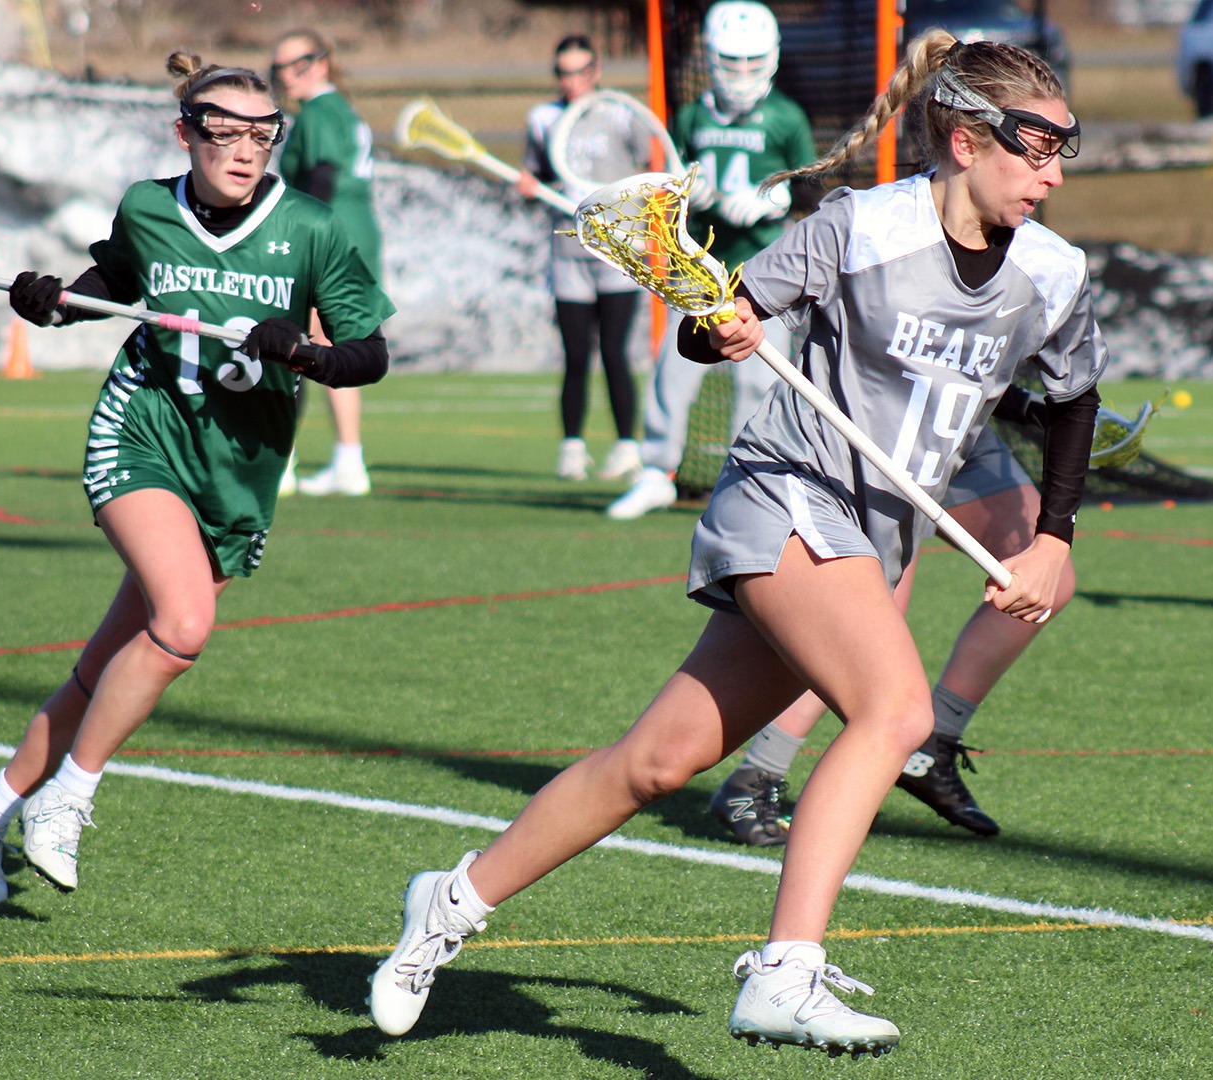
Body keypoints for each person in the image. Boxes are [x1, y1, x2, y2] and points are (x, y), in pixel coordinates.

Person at [366, 32, 1099, 1055]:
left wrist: (1053, 539)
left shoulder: (1055, 274)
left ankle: (448, 900)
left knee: (656, 763)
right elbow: (710, 325)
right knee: (892, 714)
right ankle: (784, 972)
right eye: (1038, 150)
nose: (1055, 176)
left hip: (873, 533)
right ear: (967, 139)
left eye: (1068, 153)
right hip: (786, 495)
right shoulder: (858, 229)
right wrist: (727, 329)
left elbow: (1072, 402)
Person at [0, 53, 394, 905]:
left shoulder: (311, 227)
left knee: (104, 668)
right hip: (143, 432)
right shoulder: (149, 207)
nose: (245, 151)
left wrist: (303, 350)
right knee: (183, 623)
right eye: (225, 134)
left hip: (238, 471)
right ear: (185, 133)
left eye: (263, 136)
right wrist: (52, 300)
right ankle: (66, 798)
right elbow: (114, 282)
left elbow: (367, 352)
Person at [708, 387, 1074, 844]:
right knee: (864, 619)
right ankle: (756, 777)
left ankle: (931, 747)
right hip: (875, 418)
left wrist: (1038, 406)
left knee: (1047, 581)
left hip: (959, 427)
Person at [606, 0, 816, 521]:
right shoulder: (694, 115)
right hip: (701, 268)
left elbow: (810, 183)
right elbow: (669, 181)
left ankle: (743, 478)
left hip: (769, 275)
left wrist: (776, 199)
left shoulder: (786, 116)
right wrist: (686, 196)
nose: (741, 73)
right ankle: (657, 471)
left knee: (759, 379)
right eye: (731, 61)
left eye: (751, 62)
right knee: (673, 370)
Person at [517, 35, 644, 483]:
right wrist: (531, 187)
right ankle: (572, 447)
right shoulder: (544, 118)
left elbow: (647, 171)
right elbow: (536, 176)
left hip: (616, 251)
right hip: (567, 251)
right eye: (563, 72)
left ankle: (627, 446)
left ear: (596, 71)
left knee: (614, 351)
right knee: (574, 354)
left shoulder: (622, 114)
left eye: (580, 71)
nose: (571, 81)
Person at [271, 28, 383, 497]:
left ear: (319, 63)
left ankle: (282, 463)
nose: (282, 76)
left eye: (292, 65)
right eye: (277, 67)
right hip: (358, 236)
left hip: (328, 242)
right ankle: (348, 460)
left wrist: (299, 238)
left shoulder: (317, 110)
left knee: (293, 346)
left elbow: (321, 179)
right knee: (337, 346)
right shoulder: (342, 109)